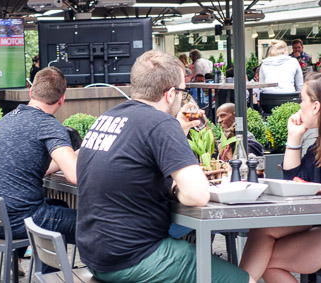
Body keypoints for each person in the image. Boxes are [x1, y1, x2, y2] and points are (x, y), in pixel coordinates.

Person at [76, 50, 254, 283]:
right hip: (135, 257)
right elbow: (197, 195)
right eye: (182, 91)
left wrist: (178, 129)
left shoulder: (108, 118)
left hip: (96, 255)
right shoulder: (160, 123)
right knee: (247, 281)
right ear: (171, 93)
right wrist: (179, 188)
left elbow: (136, 167)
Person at [0, 66, 77, 273]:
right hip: (20, 221)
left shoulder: (6, 120)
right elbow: (75, 175)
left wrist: (71, 155)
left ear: (31, 92)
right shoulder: (49, 126)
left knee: (59, 206)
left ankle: (50, 273)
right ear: (62, 99)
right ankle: (63, 275)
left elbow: (34, 169)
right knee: (92, 223)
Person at [239, 72, 321, 283]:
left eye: (301, 100)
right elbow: (295, 180)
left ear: (315, 107)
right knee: (264, 231)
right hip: (314, 220)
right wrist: (294, 136)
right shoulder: (316, 148)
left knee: (265, 258)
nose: (298, 106)